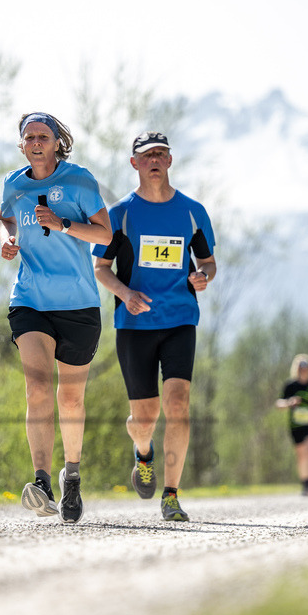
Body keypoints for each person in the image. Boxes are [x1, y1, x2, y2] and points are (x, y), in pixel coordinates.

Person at [92, 132, 216, 522]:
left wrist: (203, 277)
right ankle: (143, 453)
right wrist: (125, 293)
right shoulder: (120, 215)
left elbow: (208, 262)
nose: (155, 160)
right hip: (134, 323)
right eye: (147, 155)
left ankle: (172, 494)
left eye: (161, 153)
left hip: (180, 319)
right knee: (144, 419)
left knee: (178, 405)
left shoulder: (193, 211)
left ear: (170, 160)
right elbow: (100, 269)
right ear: (134, 164)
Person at [0, 112, 112, 524]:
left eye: (42, 136)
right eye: (28, 137)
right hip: (30, 299)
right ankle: (42, 481)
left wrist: (64, 223)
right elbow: (6, 218)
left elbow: (105, 234)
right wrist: (8, 240)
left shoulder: (79, 179)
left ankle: (73, 477)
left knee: (71, 398)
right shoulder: (15, 183)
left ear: (57, 141)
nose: (34, 142)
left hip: (79, 303)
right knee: (38, 388)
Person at [276, 354, 308, 496]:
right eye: (301, 367)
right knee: (302, 454)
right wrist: (290, 402)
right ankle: (304, 483)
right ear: (297, 368)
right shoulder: (290, 385)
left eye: (306, 367)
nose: (304, 370)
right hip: (296, 425)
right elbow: (279, 403)